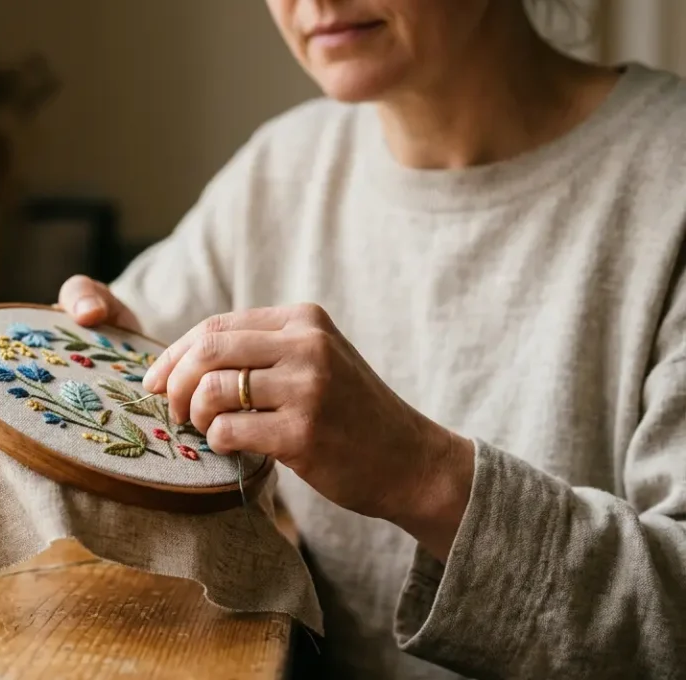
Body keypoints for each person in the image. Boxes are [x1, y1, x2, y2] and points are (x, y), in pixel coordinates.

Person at [57, 0, 686, 677]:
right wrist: (80, 354)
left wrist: (419, 472)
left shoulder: (666, 178)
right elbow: (122, 346)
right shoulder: (283, 169)